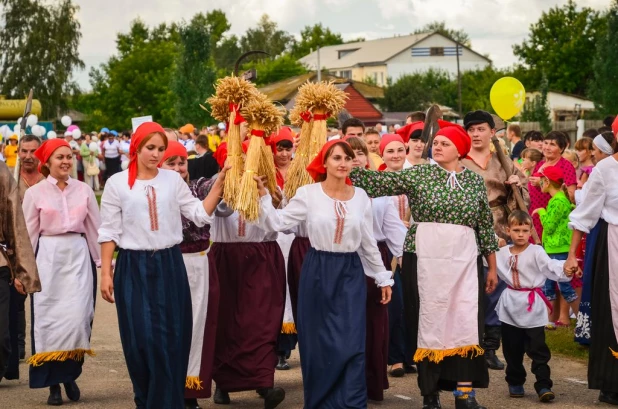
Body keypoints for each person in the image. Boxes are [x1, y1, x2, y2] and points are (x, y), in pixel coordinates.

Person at [350, 124, 499, 409]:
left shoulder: (474, 182)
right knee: (427, 323)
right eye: (436, 143)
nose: (437, 147)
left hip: (465, 261)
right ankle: (430, 394)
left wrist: (491, 267)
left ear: (460, 150)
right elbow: (379, 183)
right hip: (424, 257)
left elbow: (484, 227)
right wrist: (348, 165)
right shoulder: (420, 173)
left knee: (466, 322)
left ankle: (465, 393)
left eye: (445, 143)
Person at [254, 139, 393, 409]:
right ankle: (320, 402)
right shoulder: (309, 194)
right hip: (317, 270)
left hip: (350, 271)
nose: (342, 163)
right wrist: (262, 197)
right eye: (336, 158)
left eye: (347, 158)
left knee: (352, 340)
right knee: (318, 342)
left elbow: (367, 242)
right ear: (325, 162)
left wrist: (382, 277)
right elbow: (278, 223)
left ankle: (351, 402)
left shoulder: (361, 197)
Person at [98, 122, 224, 409]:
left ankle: (167, 402)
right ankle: (146, 399)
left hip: (170, 263)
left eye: (160, 149)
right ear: (136, 148)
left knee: (172, 336)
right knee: (140, 340)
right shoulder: (117, 183)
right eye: (150, 148)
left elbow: (198, 214)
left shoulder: (172, 181)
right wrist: (106, 273)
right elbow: (109, 232)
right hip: (133, 266)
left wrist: (220, 185)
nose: (156, 154)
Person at [22, 138, 101, 406]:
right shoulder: (35, 194)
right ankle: (53, 385)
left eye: (69, 156)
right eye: (59, 157)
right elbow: (29, 236)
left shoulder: (84, 191)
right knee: (49, 321)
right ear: (48, 162)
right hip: (48, 259)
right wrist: (24, 271)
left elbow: (94, 229)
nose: (66, 161)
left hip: (77, 256)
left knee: (79, 317)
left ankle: (69, 374)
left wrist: (104, 265)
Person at [209, 146, 286, 409]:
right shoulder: (216, 187)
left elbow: (274, 226)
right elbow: (212, 213)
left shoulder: (270, 189)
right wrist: (228, 186)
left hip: (260, 257)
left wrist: (265, 196)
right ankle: (223, 383)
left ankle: (264, 381)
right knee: (225, 321)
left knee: (261, 322)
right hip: (226, 258)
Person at [462, 110, 528, 371]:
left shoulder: (504, 161)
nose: (476, 134)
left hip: (500, 226)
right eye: (472, 129)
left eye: (481, 129)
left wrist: (516, 185)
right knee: (468, 289)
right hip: (467, 228)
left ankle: (490, 347)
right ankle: (469, 344)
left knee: (495, 289)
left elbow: (523, 202)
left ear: (492, 132)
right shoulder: (459, 159)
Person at [159, 141, 221, 409]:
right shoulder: (155, 193)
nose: (177, 168)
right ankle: (169, 387)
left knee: (197, 326)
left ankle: (190, 390)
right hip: (168, 264)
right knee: (168, 328)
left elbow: (218, 186)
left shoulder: (197, 187)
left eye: (181, 162)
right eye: (170, 163)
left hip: (199, 264)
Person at [495, 211, 573, 402]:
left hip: (532, 307)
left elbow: (550, 266)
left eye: (524, 230)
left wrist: (565, 268)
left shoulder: (536, 251)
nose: (520, 234)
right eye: (516, 230)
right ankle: (515, 381)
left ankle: (543, 384)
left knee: (538, 348)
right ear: (508, 231)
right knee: (512, 349)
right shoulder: (502, 253)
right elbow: (485, 259)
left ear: (531, 230)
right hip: (510, 305)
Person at [350, 135, 406, 401]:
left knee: (374, 322)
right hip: (344, 260)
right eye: (349, 154)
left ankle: (370, 381)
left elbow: (396, 236)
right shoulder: (326, 191)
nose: (356, 159)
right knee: (345, 323)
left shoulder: (381, 194)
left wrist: (408, 264)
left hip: (376, 262)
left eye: (360, 153)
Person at [564, 139, 618, 406]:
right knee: (611, 312)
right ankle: (611, 382)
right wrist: (572, 254)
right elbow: (584, 215)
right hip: (613, 245)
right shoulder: (605, 169)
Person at [0, 160, 41, 384]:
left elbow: (15, 222)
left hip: (0, 265)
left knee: (3, 336)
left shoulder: (1, 172)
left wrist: (20, 268)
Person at [531, 166, 578, 328]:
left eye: (541, 180)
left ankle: (582, 320)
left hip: (558, 250)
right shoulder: (558, 200)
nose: (539, 184)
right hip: (552, 249)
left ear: (547, 181)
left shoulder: (557, 201)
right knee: (549, 285)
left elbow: (549, 226)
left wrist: (541, 212)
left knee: (564, 285)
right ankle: (548, 321)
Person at [528, 131, 577, 240]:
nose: (547, 147)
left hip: (553, 218)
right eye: (546, 143)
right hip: (535, 215)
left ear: (561, 148)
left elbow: (571, 196)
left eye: (552, 144)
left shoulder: (566, 166)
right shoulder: (540, 164)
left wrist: (543, 183)